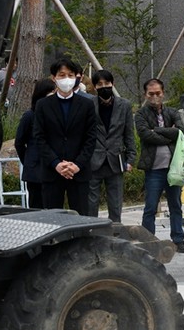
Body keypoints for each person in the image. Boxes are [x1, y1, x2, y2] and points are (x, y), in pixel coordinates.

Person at [33, 57, 97, 215]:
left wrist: (77, 165)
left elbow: (90, 138)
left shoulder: (87, 105)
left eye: (70, 75)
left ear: (77, 77)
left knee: (82, 216)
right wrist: (56, 163)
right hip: (52, 172)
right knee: (53, 218)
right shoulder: (43, 105)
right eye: (62, 75)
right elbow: (39, 138)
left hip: (79, 172)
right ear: (54, 78)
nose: (66, 79)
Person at [136, 78, 184, 253]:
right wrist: (169, 133)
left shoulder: (173, 112)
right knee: (151, 206)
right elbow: (145, 135)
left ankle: (178, 239)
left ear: (163, 93)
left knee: (175, 205)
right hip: (154, 169)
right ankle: (147, 242)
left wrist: (157, 130)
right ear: (146, 94)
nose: (155, 97)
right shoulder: (141, 114)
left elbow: (180, 132)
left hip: (174, 168)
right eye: (151, 94)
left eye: (158, 93)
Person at [88, 69, 137, 222]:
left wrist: (130, 159)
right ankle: (91, 233)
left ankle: (115, 233)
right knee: (91, 203)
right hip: (93, 160)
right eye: (100, 84)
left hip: (116, 160)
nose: (104, 87)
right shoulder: (89, 104)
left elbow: (129, 134)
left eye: (107, 83)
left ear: (112, 83)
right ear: (95, 87)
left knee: (115, 203)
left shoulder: (125, 105)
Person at [15, 78, 56, 209]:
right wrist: (28, 161)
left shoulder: (56, 115)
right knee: (36, 206)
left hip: (53, 169)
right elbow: (19, 142)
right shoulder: (30, 115)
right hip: (35, 171)